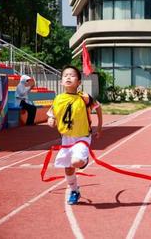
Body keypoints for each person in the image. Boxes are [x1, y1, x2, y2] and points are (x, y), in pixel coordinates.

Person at [47, 65, 103, 205]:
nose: (68, 77)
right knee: (69, 167)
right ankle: (74, 191)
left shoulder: (84, 97)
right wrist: (51, 120)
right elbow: (52, 115)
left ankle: (83, 159)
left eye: (72, 75)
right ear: (61, 81)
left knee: (76, 162)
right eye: (65, 75)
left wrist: (100, 127)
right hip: (67, 138)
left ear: (79, 82)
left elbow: (98, 108)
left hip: (83, 136)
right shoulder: (58, 99)